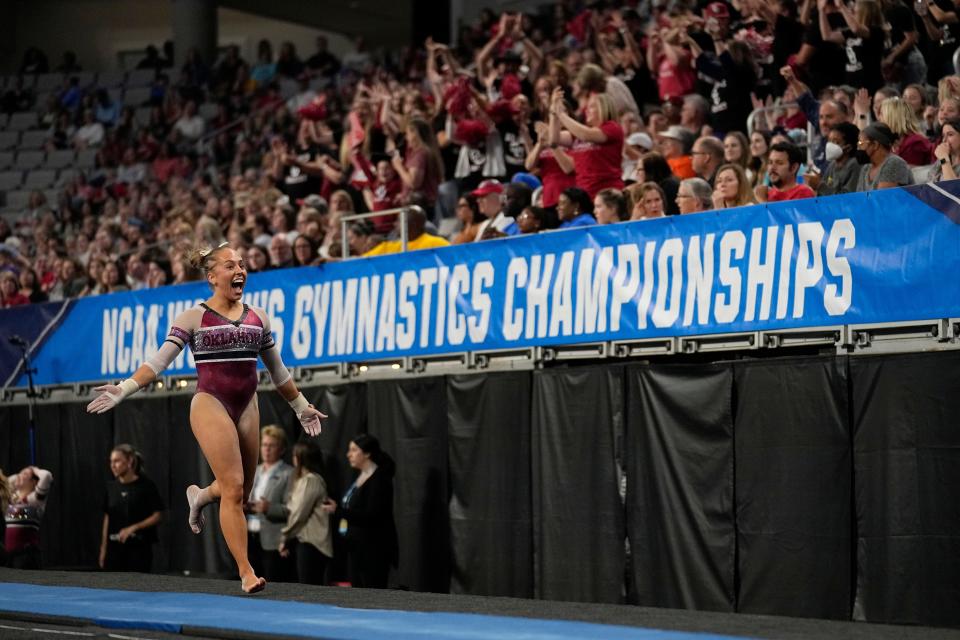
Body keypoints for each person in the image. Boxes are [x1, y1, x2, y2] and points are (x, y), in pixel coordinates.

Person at [87, 242, 326, 593]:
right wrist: (123, 389)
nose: (240, 270)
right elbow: (157, 363)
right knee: (232, 488)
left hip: (247, 404)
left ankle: (200, 497)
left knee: (239, 493)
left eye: (241, 264)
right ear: (212, 276)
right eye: (230, 265)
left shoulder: (259, 317)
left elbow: (278, 372)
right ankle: (246, 572)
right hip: (210, 403)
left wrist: (301, 406)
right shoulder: (193, 317)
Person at [322, 434, 398, 589]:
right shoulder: (361, 476)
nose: (348, 454)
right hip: (356, 546)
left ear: (367, 453)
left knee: (372, 590)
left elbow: (372, 515)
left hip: (373, 548)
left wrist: (339, 511)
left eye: (354, 450)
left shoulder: (379, 479)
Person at [99, 445, 164, 573]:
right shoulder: (111, 487)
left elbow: (158, 515)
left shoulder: (146, 486)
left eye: (117, 461)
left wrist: (134, 528)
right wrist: (104, 548)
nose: (113, 465)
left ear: (129, 462)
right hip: (114, 550)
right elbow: (108, 517)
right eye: (111, 461)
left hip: (138, 550)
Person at [550, 89, 625, 197]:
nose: (587, 110)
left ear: (604, 108)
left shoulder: (613, 128)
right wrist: (553, 112)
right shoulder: (579, 133)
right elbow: (553, 140)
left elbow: (586, 135)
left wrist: (561, 114)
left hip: (608, 194)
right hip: (584, 194)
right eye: (587, 107)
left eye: (592, 106)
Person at [280, 441, 333, 585]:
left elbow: (298, 514)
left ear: (300, 458)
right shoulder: (303, 480)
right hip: (306, 542)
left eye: (295, 455)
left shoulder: (311, 481)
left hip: (313, 544)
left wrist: (285, 537)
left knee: (309, 588)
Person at [246, 426, 293, 582]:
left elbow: (293, 510)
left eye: (271, 445)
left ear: (281, 449)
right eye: (264, 445)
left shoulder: (289, 474)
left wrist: (268, 508)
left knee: (273, 584)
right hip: (249, 537)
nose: (266, 449)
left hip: (273, 541)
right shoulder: (254, 470)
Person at [5, 465, 53, 569]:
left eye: (25, 474)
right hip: (9, 555)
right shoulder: (12, 500)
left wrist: (34, 470)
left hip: (26, 556)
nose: (19, 476)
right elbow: (6, 482)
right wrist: (21, 475)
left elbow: (46, 476)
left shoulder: (35, 500)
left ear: (34, 482)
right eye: (19, 473)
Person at [808, 122, 862, 196]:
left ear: (848, 148)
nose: (830, 145)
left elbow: (847, 198)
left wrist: (819, 185)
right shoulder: (832, 165)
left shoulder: (854, 165)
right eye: (829, 140)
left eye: (835, 141)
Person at [856, 122, 914, 191]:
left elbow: (882, 199)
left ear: (875, 145)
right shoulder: (866, 168)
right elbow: (858, 198)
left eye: (861, 143)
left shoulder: (894, 163)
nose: (858, 147)